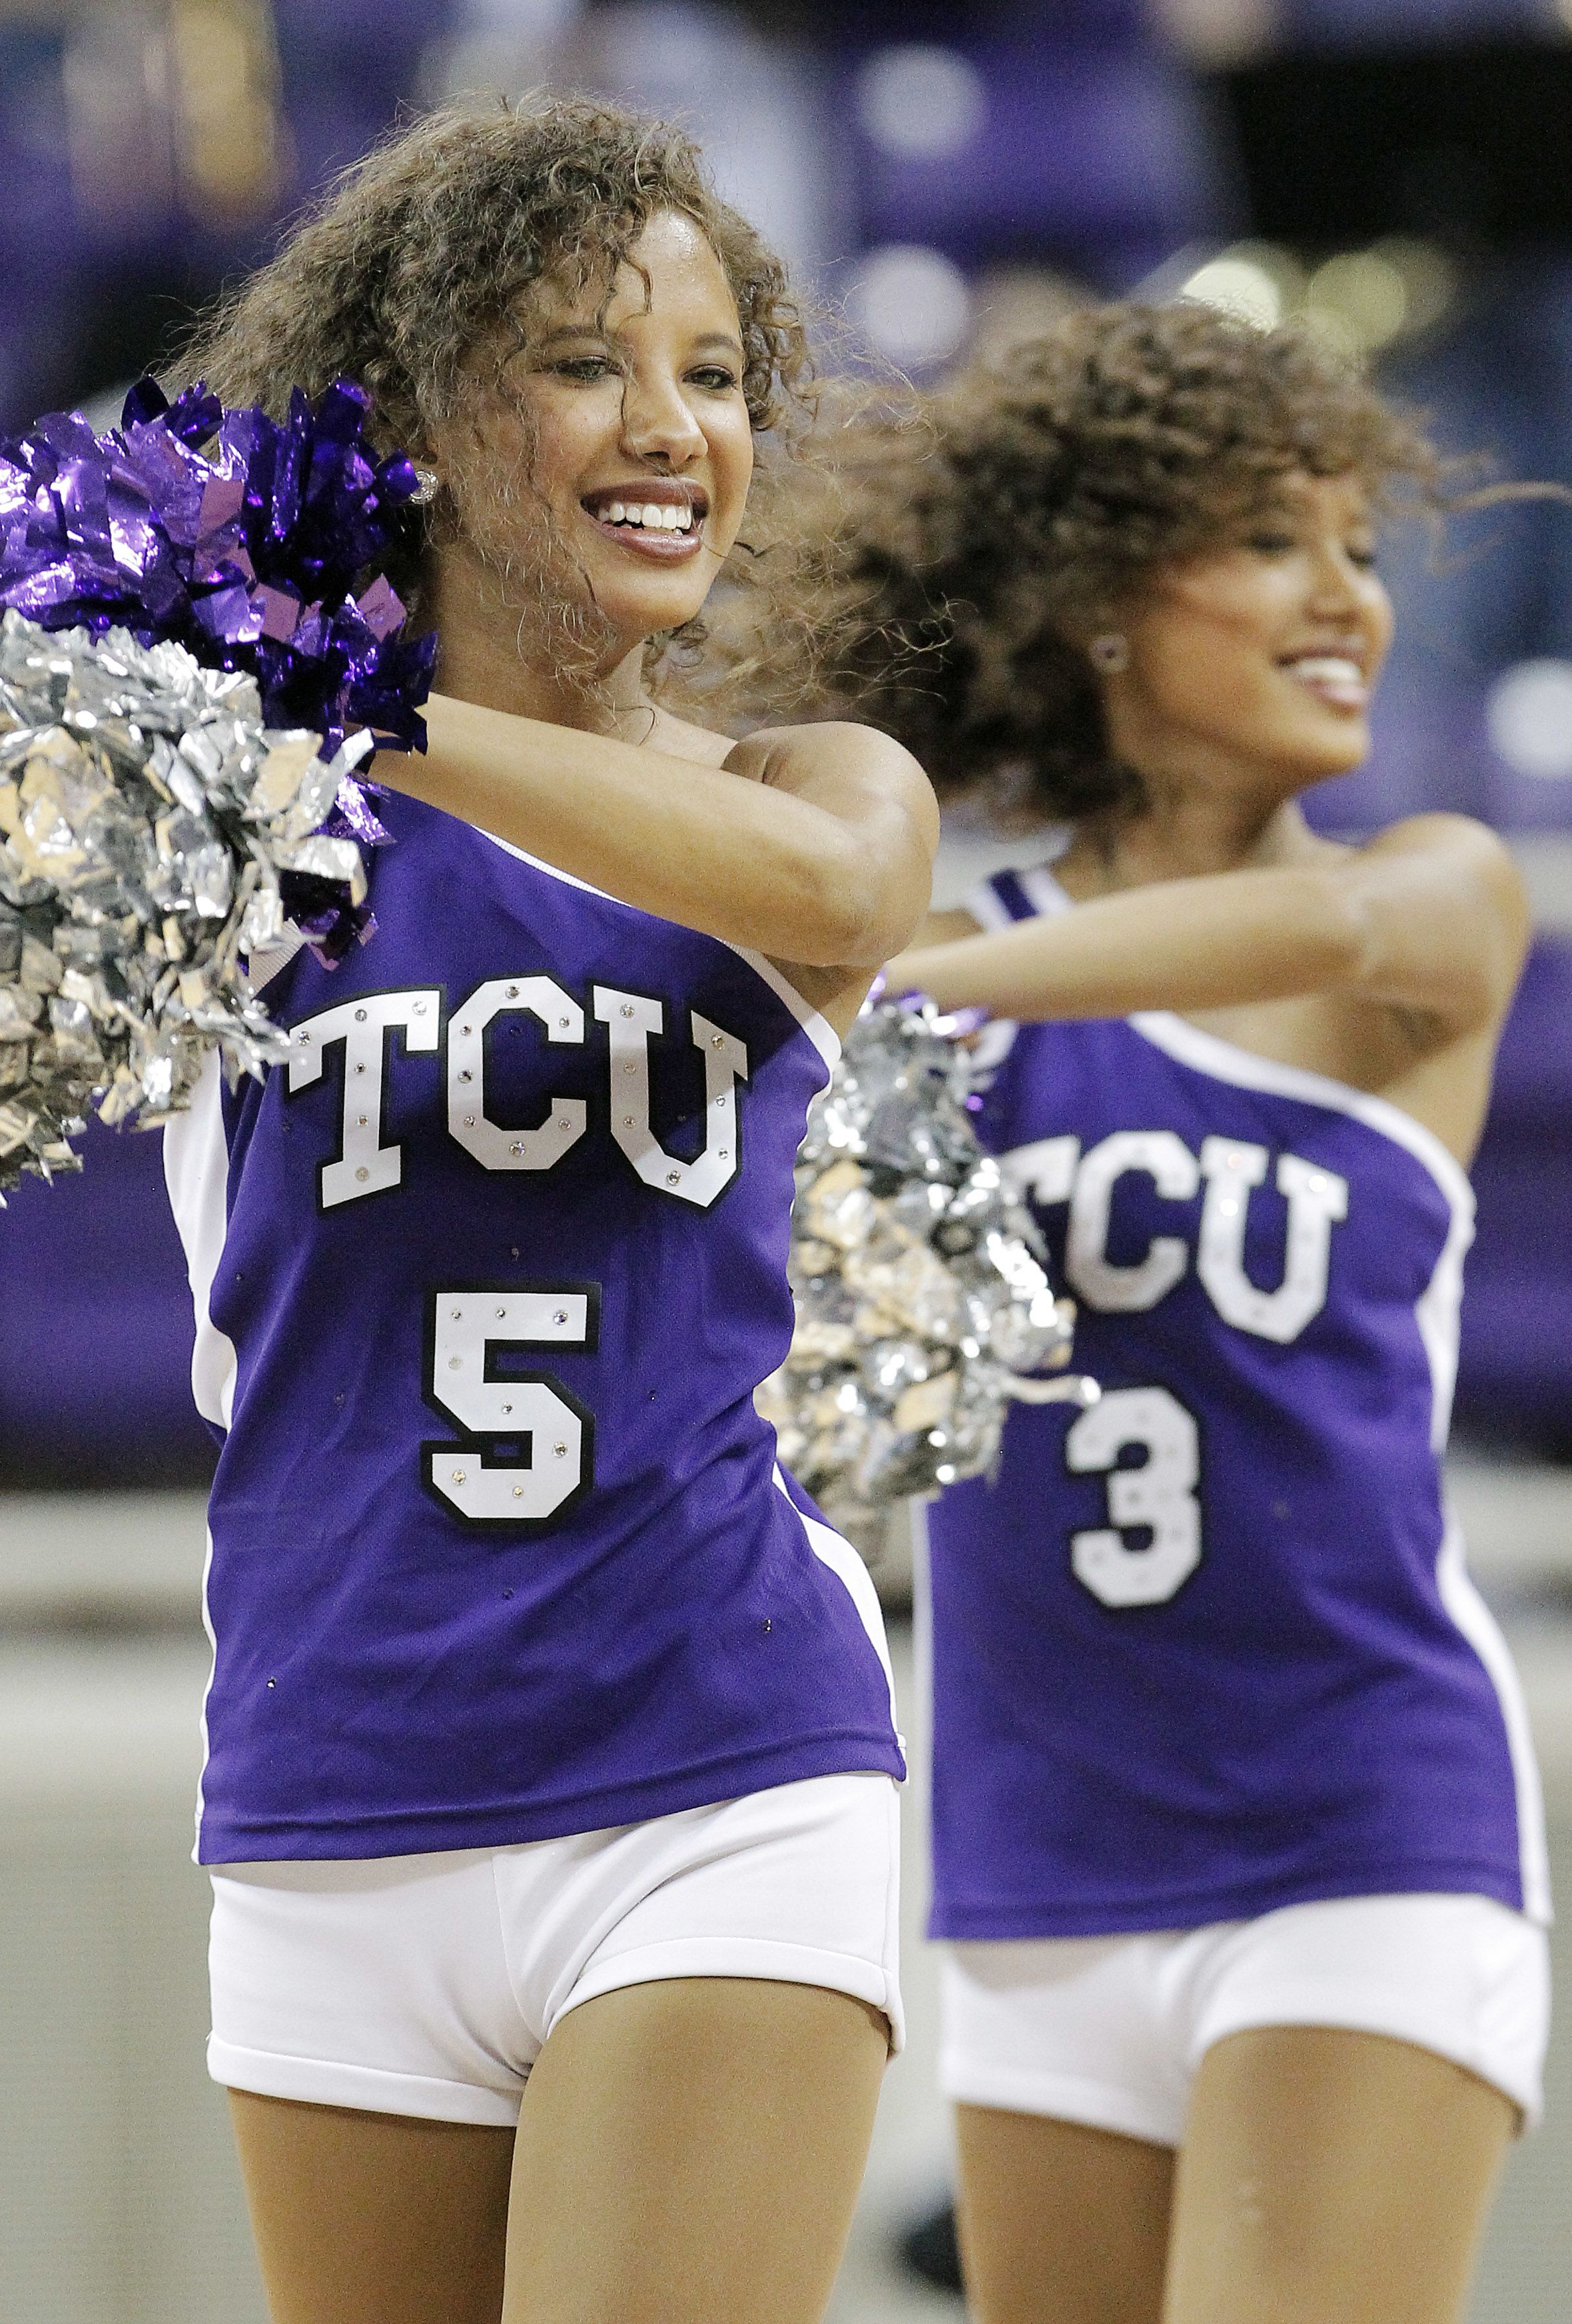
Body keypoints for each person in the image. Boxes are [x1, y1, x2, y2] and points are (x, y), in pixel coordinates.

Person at [159, 96, 937, 2324]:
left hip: (714, 1762)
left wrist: (353, 710)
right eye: (586, 363)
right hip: (330, 1773)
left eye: (713, 373)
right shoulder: (210, 823)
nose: (672, 426)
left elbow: (851, 895)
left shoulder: (799, 784)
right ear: (404, 427)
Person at [819, 302, 1550, 2324]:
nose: (1348, 598)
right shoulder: (953, 958)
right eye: (1269, 542)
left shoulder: (1434, 892)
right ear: (1101, 610)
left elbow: (1308, 925)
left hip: (1361, 1832)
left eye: (1363, 550)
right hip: (1040, 1854)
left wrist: (900, 987)